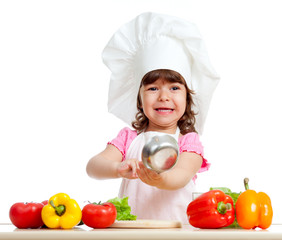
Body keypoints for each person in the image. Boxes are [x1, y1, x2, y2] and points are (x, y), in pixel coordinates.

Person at [86, 12, 220, 224]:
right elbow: (93, 166)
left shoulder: (188, 141)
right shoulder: (128, 138)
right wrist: (116, 168)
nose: (164, 96)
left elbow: (182, 175)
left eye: (174, 88)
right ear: (139, 99)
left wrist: (161, 178)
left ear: (188, 98)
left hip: (177, 232)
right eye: (153, 88)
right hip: (131, 233)